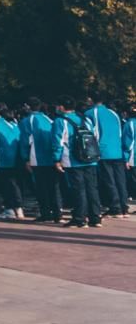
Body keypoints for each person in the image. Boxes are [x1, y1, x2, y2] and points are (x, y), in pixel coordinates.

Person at [53, 98, 102, 228]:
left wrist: (56, 159)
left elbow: (58, 142)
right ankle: (95, 218)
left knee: (78, 189)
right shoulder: (86, 119)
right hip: (90, 158)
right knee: (92, 188)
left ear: (62, 107)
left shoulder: (60, 121)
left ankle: (79, 218)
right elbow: (95, 136)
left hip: (73, 159)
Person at [85, 98, 129, 219]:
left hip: (103, 150)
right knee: (120, 180)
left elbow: (92, 133)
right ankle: (124, 206)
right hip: (117, 149)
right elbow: (119, 132)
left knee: (109, 180)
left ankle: (115, 208)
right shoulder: (113, 113)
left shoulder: (90, 113)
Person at [21, 98, 62, 222]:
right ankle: (57, 212)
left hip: (37, 158)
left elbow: (25, 141)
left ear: (28, 107)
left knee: (41, 187)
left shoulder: (27, 121)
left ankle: (46, 212)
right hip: (51, 157)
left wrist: (25, 158)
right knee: (54, 186)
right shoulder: (48, 119)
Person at [0, 104, 24, 220]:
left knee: (4, 185)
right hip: (15, 159)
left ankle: (9, 209)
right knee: (13, 184)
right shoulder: (13, 124)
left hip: (0, 159)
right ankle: (18, 208)